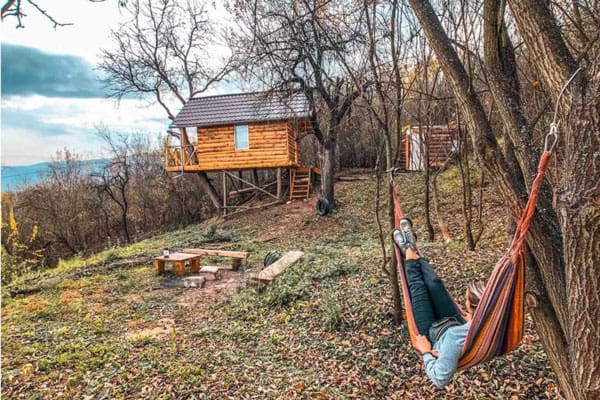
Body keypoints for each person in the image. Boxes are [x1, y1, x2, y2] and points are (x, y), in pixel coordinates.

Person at [393, 217, 485, 388]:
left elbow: (440, 379)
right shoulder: (488, 319)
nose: (463, 300)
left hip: (432, 334)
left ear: (471, 306)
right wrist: (469, 320)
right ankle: (410, 248)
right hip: (455, 321)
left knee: (418, 288)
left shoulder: (453, 340)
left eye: (464, 298)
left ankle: (409, 253)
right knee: (434, 283)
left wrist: (426, 351)